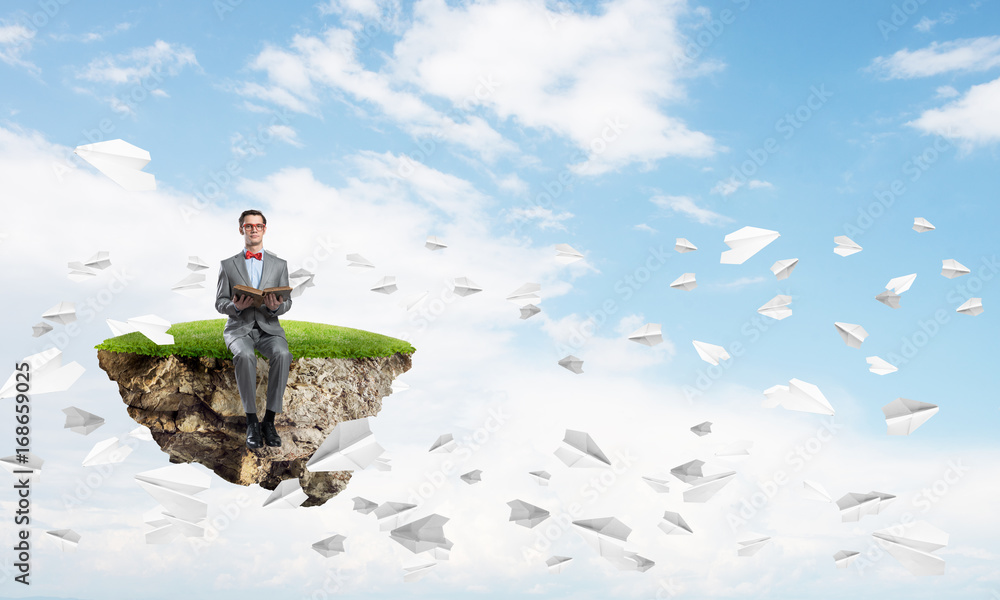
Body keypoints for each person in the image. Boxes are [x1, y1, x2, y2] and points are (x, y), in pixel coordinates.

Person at [215, 209, 293, 449]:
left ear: (264, 229)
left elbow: (287, 302)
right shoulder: (227, 265)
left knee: (283, 353)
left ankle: (269, 421)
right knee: (245, 355)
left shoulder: (280, 265)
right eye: (249, 226)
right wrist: (235, 307)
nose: (254, 229)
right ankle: (251, 422)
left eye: (258, 226)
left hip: (269, 328)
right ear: (242, 230)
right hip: (239, 328)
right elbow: (219, 302)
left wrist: (274, 308)